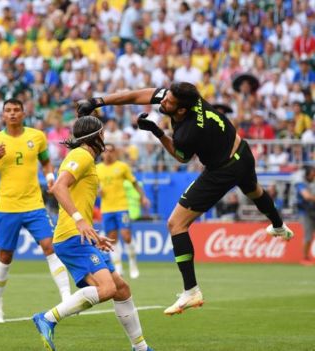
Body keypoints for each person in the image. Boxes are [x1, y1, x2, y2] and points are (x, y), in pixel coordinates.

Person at [76, 82, 294, 315]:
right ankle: (279, 226)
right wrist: (100, 101)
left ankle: (191, 291)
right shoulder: (183, 98)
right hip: (241, 151)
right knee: (254, 191)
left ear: (181, 111)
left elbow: (181, 157)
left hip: (222, 169)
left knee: (176, 224)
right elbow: (141, 94)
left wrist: (157, 132)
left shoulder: (189, 131)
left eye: (168, 102)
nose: (164, 101)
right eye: (166, 97)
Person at [32, 116, 154, 351]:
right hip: (71, 236)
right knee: (107, 288)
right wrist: (79, 222)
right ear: (96, 136)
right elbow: (58, 187)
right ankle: (48, 318)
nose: (104, 138)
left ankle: (141, 348)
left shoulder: (84, 158)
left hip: (80, 236)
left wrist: (91, 232)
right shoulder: (81, 155)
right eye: (102, 134)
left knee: (122, 289)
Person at [0, 98, 71, 323]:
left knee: (51, 247)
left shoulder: (36, 137)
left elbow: (46, 162)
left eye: (16, 110)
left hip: (34, 204)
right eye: (8, 111)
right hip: (7, 206)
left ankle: (67, 298)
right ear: (3, 115)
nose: (12, 114)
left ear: (23, 113)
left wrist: (50, 177)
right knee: (5, 255)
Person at [97, 143, 150, 279]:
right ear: (102, 153)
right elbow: (94, 188)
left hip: (121, 207)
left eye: (110, 151)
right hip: (107, 209)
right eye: (105, 151)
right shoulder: (97, 169)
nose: (107, 154)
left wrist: (143, 197)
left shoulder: (122, 167)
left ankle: (133, 264)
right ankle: (118, 268)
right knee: (112, 239)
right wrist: (98, 191)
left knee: (126, 236)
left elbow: (134, 182)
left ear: (114, 153)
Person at [296, 166, 315, 265]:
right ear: (307, 174)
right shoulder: (300, 183)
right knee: (308, 235)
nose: (313, 176)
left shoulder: (312, 183)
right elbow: (306, 196)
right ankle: (305, 258)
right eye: (312, 174)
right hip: (305, 212)